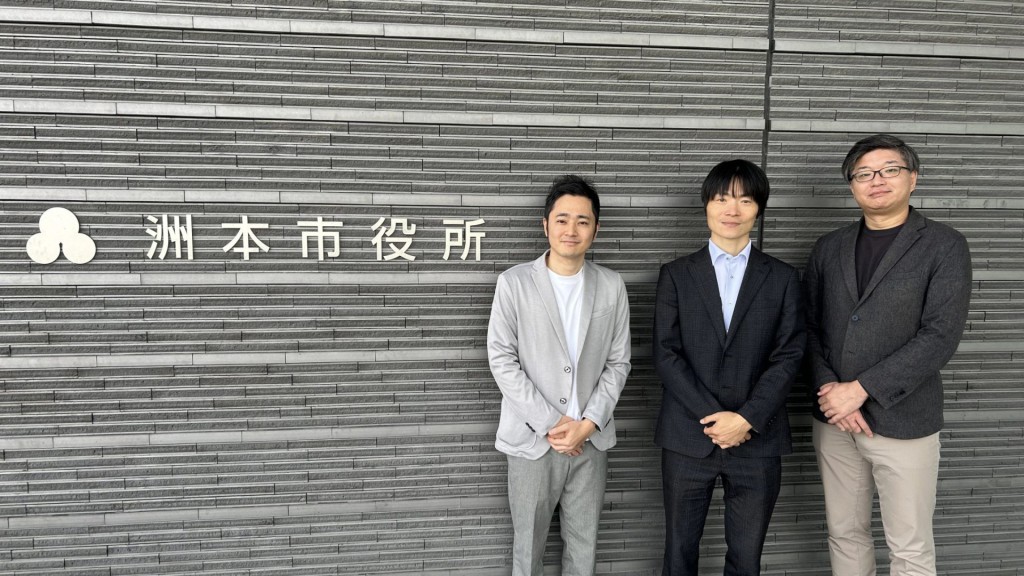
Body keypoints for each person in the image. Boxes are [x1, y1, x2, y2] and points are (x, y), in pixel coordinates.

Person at [804, 134, 972, 576]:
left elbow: (940, 336)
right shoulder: (829, 247)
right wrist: (830, 392)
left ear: (912, 178)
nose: (876, 180)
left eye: (889, 170)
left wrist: (859, 390)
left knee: (910, 547)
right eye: (863, 173)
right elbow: (809, 327)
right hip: (834, 422)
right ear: (852, 185)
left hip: (904, 420)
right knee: (844, 533)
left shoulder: (944, 245)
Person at [653, 159, 806, 576]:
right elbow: (666, 354)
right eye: (722, 199)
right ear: (706, 205)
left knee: (746, 558)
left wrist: (746, 419)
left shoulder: (783, 278)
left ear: (759, 209)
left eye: (745, 200)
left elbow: (789, 356)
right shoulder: (676, 275)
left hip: (757, 439)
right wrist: (715, 418)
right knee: (678, 555)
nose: (732, 210)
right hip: (688, 437)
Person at [487, 175, 631, 576]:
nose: (572, 230)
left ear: (596, 229)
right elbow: (501, 359)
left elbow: (619, 362)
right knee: (527, 551)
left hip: (591, 442)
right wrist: (553, 423)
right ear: (545, 224)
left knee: (584, 551)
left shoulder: (611, 285)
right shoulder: (514, 282)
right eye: (563, 219)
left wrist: (588, 423)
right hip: (532, 441)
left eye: (583, 221)